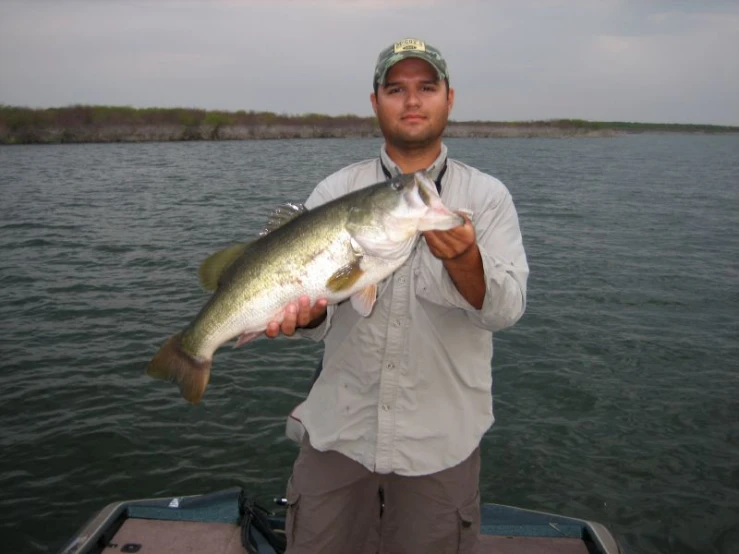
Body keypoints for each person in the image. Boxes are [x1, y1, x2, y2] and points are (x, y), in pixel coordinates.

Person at [265, 37, 529, 554]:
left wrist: (462, 259)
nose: (412, 101)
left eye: (426, 88)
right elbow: (314, 311)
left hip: (441, 446)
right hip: (338, 435)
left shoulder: (487, 198)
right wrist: (303, 314)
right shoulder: (335, 191)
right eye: (397, 89)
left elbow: (506, 309)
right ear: (375, 103)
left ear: (449, 99)